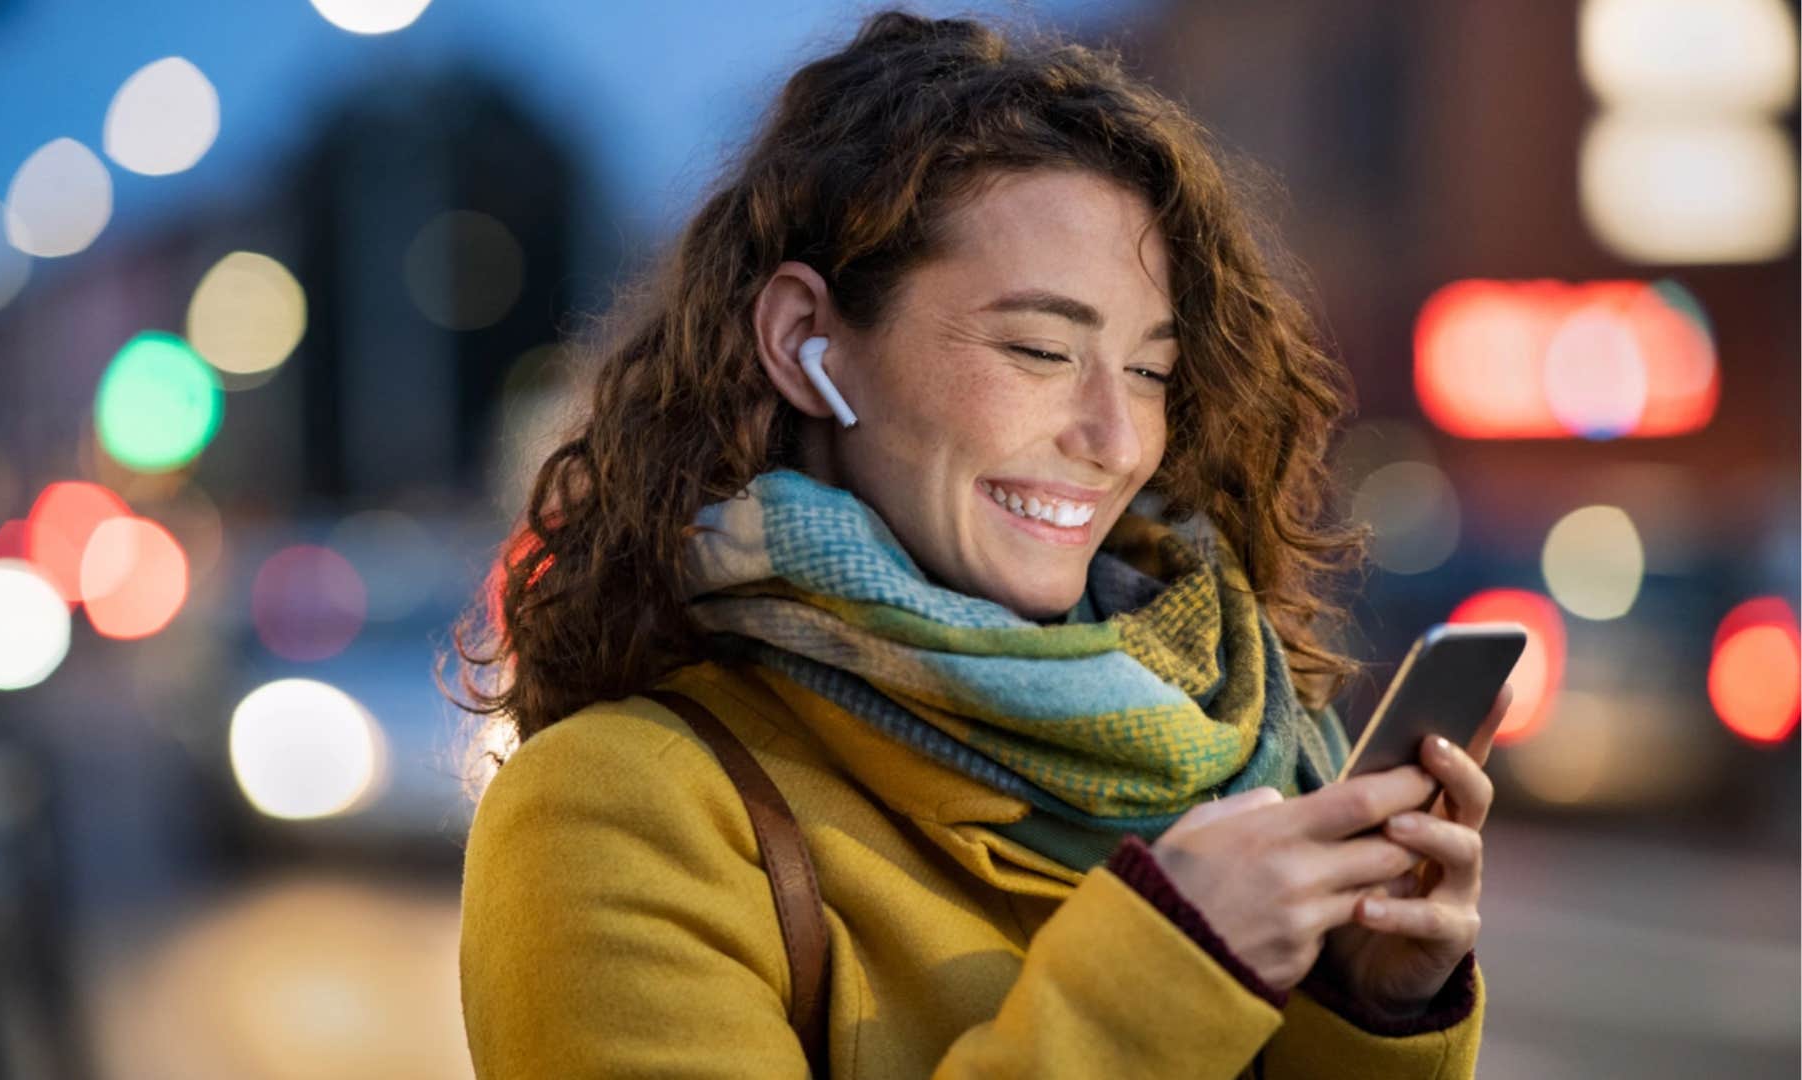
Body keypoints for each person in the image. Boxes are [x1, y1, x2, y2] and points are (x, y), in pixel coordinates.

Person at [456, 10, 1507, 1077]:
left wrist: (1362, 1004)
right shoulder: (615, 807)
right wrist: (1168, 972)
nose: (1116, 441)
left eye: (1149, 371)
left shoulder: (1247, 750)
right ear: (801, 341)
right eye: (1040, 349)